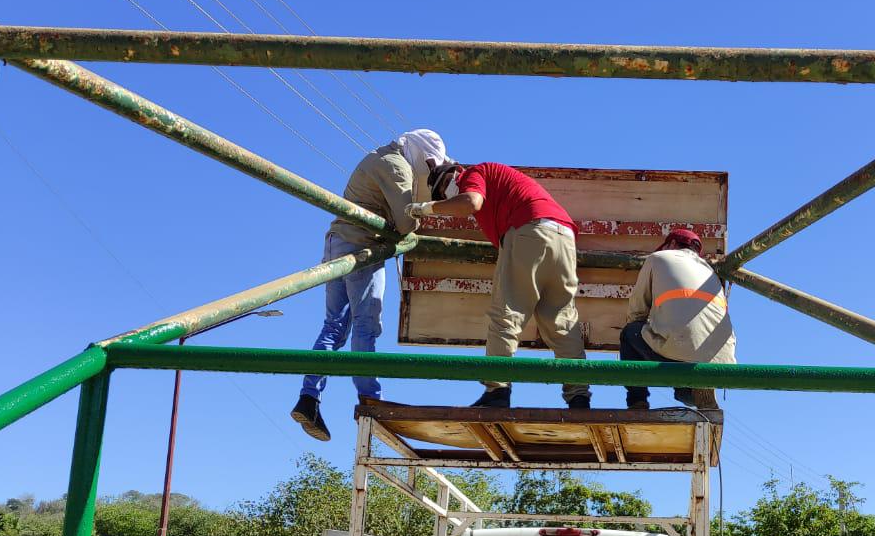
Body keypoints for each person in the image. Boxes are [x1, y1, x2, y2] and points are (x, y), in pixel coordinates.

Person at [291, 129, 448, 441]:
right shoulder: (397, 166)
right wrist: (426, 212)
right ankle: (370, 399)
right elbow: (406, 223)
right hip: (363, 247)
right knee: (366, 326)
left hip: (337, 241)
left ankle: (309, 396)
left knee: (335, 326)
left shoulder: (380, 156)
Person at [410, 161, 591, 409]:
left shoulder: (473, 174)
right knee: (561, 321)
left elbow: (471, 202)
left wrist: (426, 208)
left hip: (530, 229)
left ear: (457, 171)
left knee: (507, 314)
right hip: (564, 236)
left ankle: (497, 390)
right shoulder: (500, 186)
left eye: (445, 187)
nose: (446, 194)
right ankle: (579, 397)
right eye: (441, 194)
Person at [619, 227, 736, 409]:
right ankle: (696, 390)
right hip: (722, 362)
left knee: (630, 332)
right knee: (685, 356)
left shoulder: (657, 258)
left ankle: (637, 400)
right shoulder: (711, 272)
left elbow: (637, 311)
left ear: (672, 244)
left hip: (680, 352)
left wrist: (652, 324)